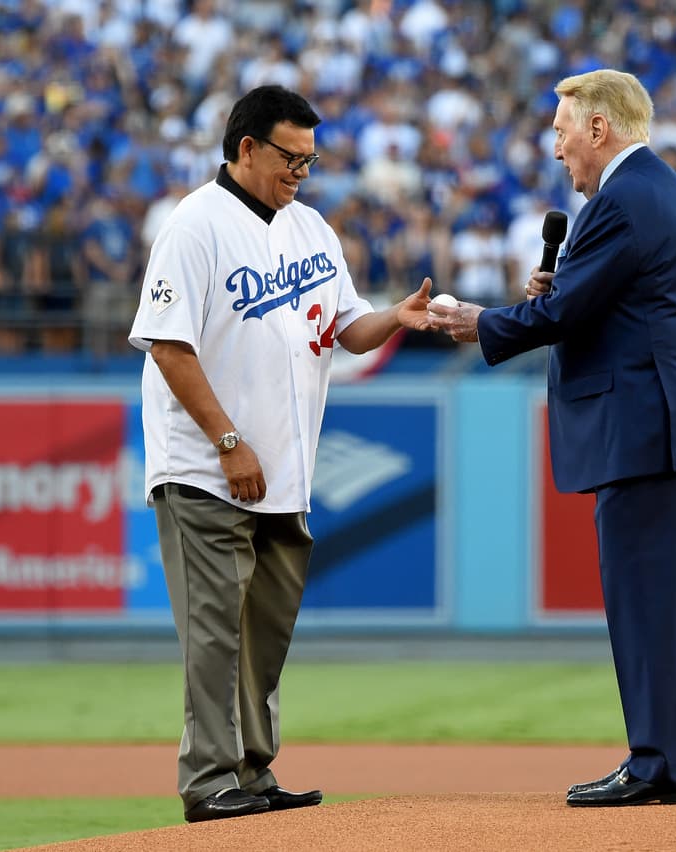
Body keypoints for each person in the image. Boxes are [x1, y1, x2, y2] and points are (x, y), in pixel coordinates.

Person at [127, 85, 435, 824]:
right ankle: (208, 781)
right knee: (214, 631)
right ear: (246, 150)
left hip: (284, 475)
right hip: (206, 469)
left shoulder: (312, 231)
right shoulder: (194, 226)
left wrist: (394, 317)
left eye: (311, 158)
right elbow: (168, 345)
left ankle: (254, 772)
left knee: (265, 631)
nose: (302, 170)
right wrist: (227, 441)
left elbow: (347, 326)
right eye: (291, 157)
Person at [428, 69, 676, 807]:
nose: (556, 147)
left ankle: (655, 763)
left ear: (600, 128)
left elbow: (565, 317)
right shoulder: (667, 190)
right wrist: (557, 298)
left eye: (563, 130)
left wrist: (481, 321)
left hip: (645, 426)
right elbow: (611, 304)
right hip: (674, 419)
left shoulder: (622, 202)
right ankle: (667, 762)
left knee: (642, 599)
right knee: (661, 604)